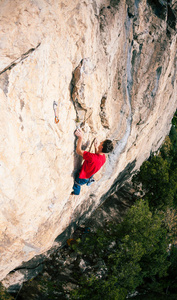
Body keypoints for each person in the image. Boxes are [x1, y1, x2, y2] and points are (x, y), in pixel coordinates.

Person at [71, 128, 114, 195]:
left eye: (101, 142)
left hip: (82, 177)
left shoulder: (92, 157)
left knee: (77, 184)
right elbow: (97, 155)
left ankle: (76, 193)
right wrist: (96, 147)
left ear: (101, 147)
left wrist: (80, 138)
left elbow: (78, 151)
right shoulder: (103, 158)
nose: (100, 142)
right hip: (89, 174)